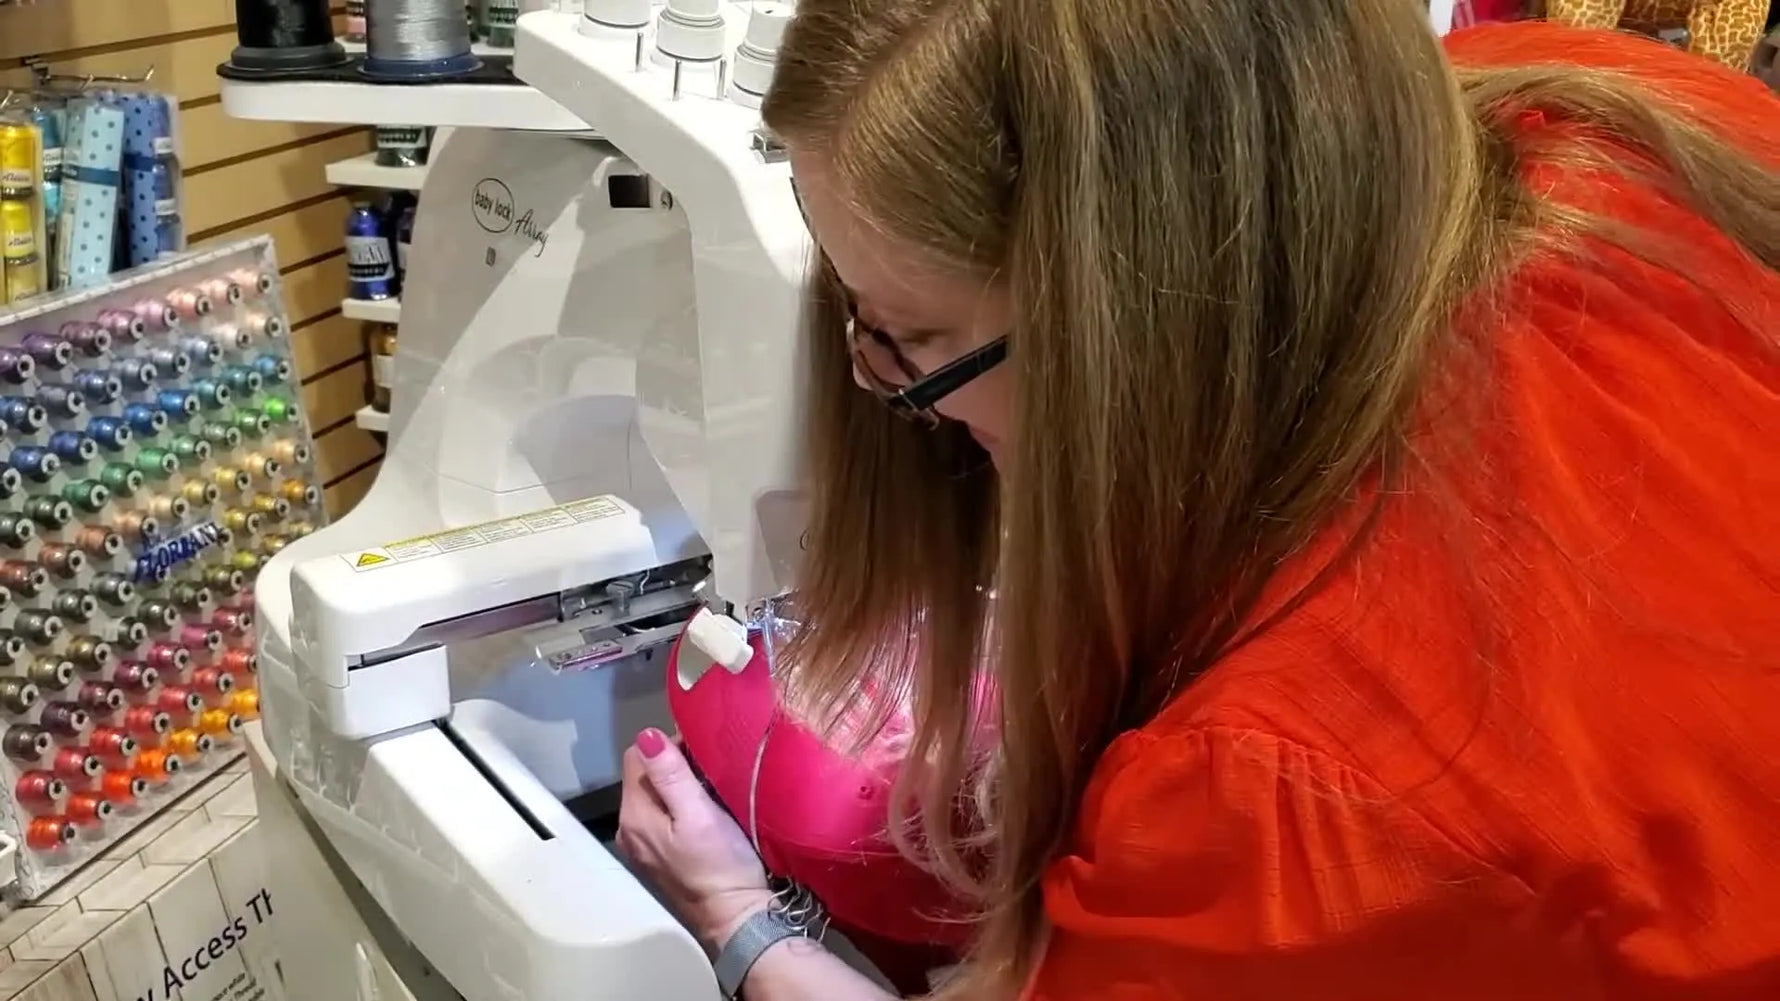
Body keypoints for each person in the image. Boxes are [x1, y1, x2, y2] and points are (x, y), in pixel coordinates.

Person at [616, 0, 1780, 997]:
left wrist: (744, 929)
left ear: (1146, 323)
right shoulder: (1594, 116)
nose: (879, 382)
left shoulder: (1278, 811)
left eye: (913, 341)